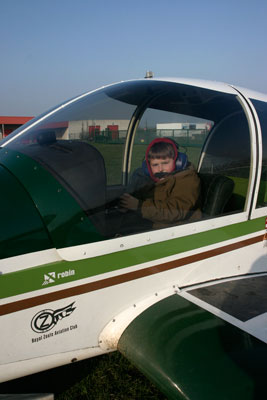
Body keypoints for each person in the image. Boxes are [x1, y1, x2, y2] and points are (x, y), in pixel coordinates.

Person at [119, 138, 201, 231]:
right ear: (148, 167)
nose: (160, 169)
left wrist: (139, 206)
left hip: (177, 230)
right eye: (155, 165)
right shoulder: (149, 179)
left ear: (178, 161)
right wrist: (125, 205)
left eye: (165, 163)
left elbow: (175, 212)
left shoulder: (187, 178)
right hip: (150, 226)